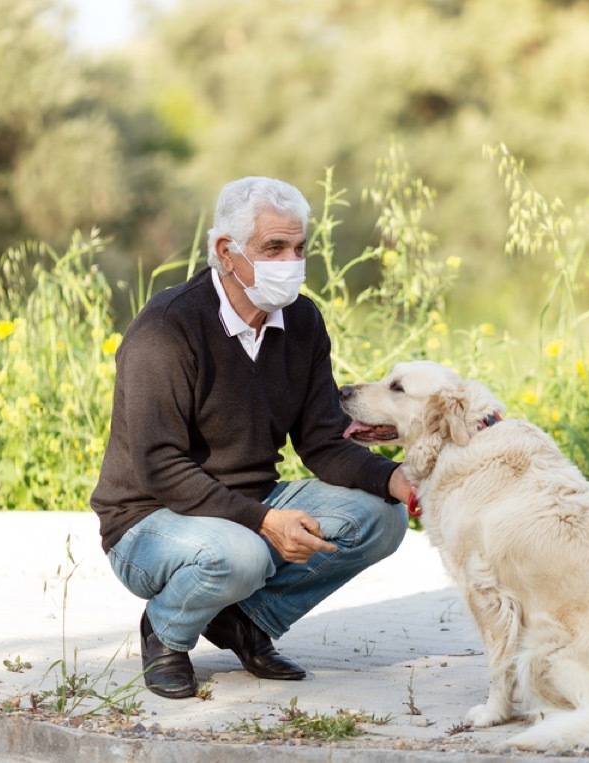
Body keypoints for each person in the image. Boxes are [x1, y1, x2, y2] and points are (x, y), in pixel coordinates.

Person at [90, 176, 413, 699]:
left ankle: (243, 620)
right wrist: (265, 522)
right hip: (149, 519)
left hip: (246, 505)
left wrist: (399, 481)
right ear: (226, 251)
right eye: (274, 248)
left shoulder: (302, 321)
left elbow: (325, 441)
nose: (291, 261)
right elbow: (161, 468)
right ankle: (167, 633)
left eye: (299, 248)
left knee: (381, 518)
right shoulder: (167, 329)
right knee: (242, 554)